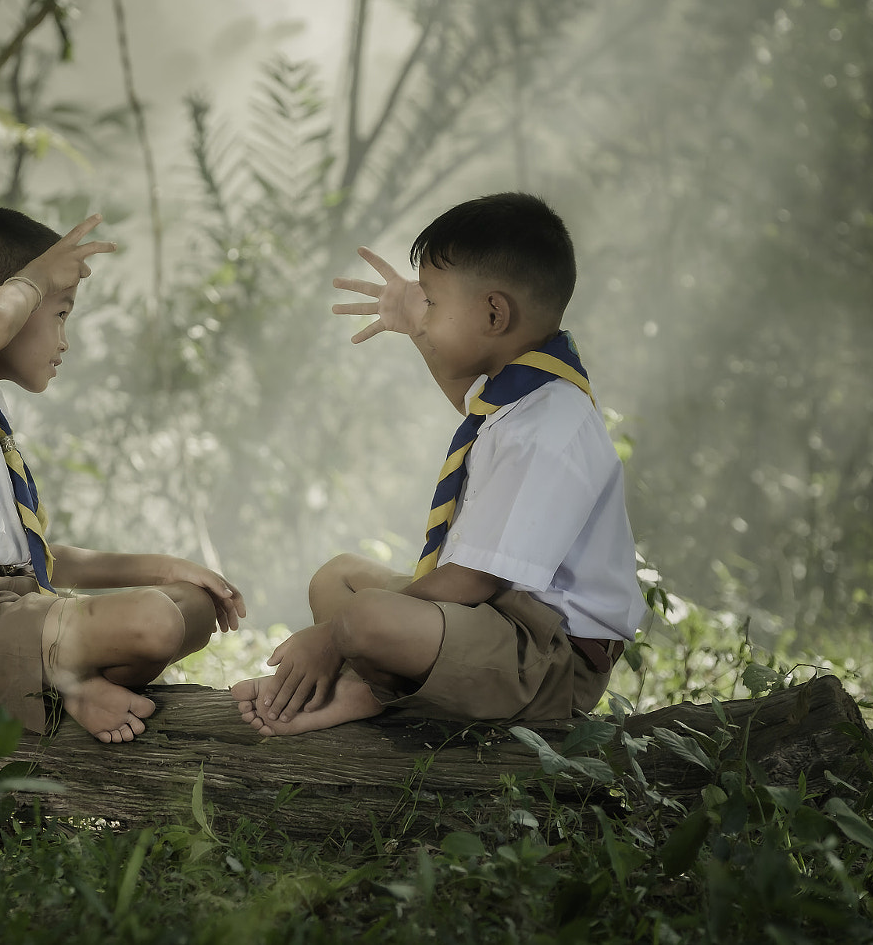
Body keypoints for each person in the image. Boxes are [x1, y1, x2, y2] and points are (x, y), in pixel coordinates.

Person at [231, 192, 644, 735]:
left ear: (493, 313)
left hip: (549, 657)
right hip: (504, 619)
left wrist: (329, 641)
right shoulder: (530, 391)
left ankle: (360, 688)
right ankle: (364, 686)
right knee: (341, 577)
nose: (422, 314)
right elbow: (470, 401)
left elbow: (472, 581)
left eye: (431, 302)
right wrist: (416, 322)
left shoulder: (549, 427)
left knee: (360, 618)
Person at [0, 207, 245, 743]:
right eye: (59, 313)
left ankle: (62, 683)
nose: (64, 341)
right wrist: (36, 277)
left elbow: (41, 559)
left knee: (189, 608)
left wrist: (166, 567)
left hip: (11, 607)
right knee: (154, 621)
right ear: (12, 297)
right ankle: (63, 683)